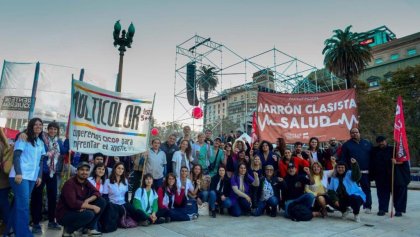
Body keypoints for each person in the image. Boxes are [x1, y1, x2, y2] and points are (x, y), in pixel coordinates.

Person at [8, 117, 45, 237]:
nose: (38, 126)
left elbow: (41, 161)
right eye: (35, 124)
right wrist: (18, 173)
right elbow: (16, 156)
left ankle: (7, 230)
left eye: (40, 124)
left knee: (20, 204)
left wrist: (39, 176)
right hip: (20, 176)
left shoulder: (40, 142)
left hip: (32, 177)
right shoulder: (23, 138)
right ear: (31, 126)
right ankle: (23, 234)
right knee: (23, 206)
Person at [31, 121, 67, 234]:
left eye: (55, 129)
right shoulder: (42, 138)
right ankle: (36, 223)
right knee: (37, 197)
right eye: (50, 128)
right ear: (47, 129)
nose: (52, 131)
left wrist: (70, 139)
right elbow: (29, 134)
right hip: (41, 172)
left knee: (52, 197)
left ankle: (52, 220)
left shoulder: (59, 141)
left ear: (57, 131)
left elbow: (64, 151)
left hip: (52, 173)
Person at [56, 162, 105, 237]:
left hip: (78, 209)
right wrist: (91, 206)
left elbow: (96, 192)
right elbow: (73, 203)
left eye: (87, 170)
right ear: (77, 171)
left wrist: (86, 201)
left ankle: (89, 228)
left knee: (101, 201)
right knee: (89, 214)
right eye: (82, 170)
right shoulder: (70, 183)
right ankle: (68, 231)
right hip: (65, 214)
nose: (84, 172)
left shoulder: (86, 182)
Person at [340, 127, 372, 213]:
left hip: (365, 172)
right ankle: (351, 205)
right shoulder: (346, 145)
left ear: (359, 133)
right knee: (351, 190)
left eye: (356, 132)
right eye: (352, 133)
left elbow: (372, 157)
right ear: (350, 134)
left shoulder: (367, 143)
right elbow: (343, 158)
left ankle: (367, 206)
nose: (355, 134)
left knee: (366, 189)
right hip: (352, 173)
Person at [0, 128, 11, 234]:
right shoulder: (5, 144)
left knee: (3, 204)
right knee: (4, 204)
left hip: (2, 182)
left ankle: (6, 229)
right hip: (5, 182)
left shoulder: (2, 145)